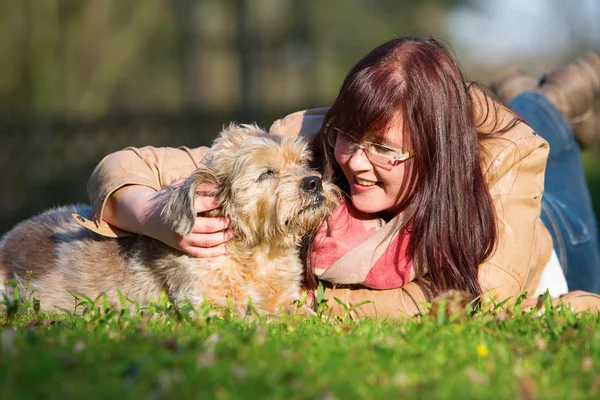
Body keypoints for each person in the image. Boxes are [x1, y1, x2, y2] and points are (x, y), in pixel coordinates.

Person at [81, 37, 600, 318]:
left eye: (384, 149)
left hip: (555, 240)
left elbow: (470, 301)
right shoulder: (308, 136)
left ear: (435, 151)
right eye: (349, 136)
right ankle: (519, 91)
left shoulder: (509, 162)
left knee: (540, 125)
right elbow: (130, 165)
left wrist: (303, 303)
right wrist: (150, 213)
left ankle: (544, 96)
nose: (352, 161)